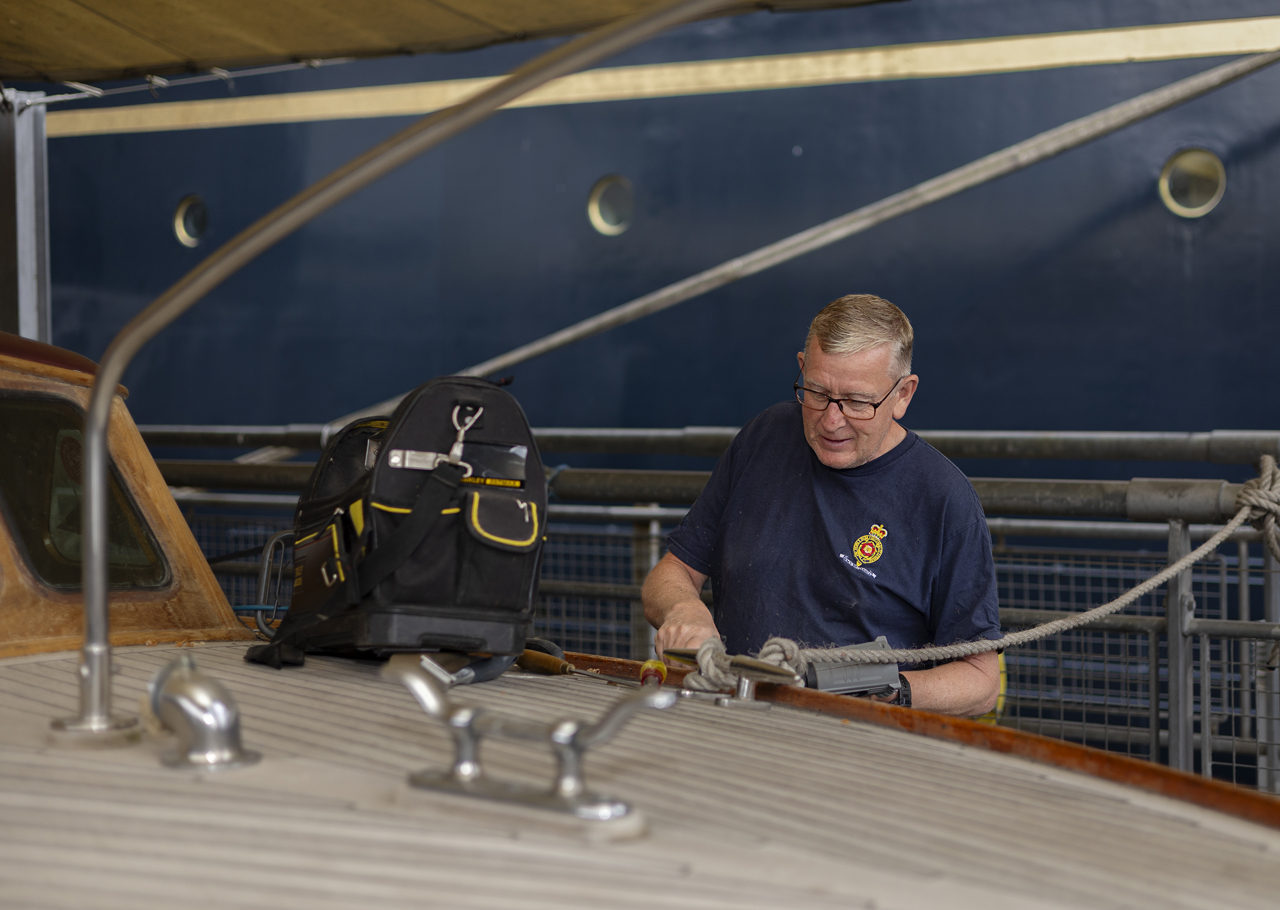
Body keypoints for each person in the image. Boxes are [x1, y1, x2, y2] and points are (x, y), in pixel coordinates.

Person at [642, 294, 1001, 716]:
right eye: (816, 392)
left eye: (857, 402)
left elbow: (981, 682)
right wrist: (684, 609)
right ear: (802, 367)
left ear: (903, 395)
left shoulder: (943, 499)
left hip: (855, 739)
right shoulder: (765, 438)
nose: (831, 420)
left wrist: (886, 691)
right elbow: (671, 573)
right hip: (734, 718)